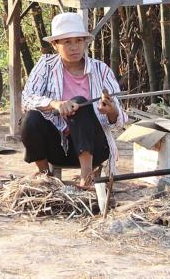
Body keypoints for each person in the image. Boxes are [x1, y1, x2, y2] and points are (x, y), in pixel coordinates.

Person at [21, 12, 127, 189]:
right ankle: (45, 176)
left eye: (78, 41)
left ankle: (86, 176)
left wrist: (111, 111)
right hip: (57, 148)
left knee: (80, 102)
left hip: (95, 147)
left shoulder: (101, 70)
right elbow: (27, 99)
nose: (74, 47)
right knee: (30, 119)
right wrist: (55, 103)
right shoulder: (45, 66)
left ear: (85, 42)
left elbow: (120, 120)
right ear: (55, 45)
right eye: (67, 42)